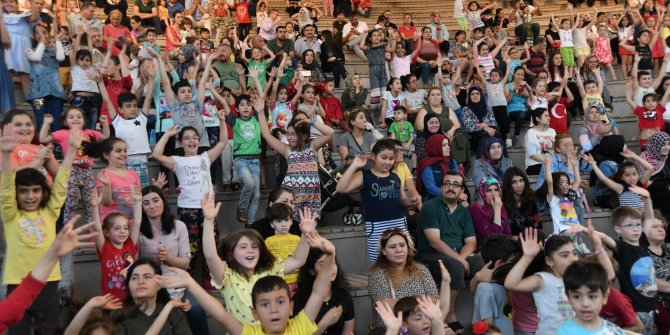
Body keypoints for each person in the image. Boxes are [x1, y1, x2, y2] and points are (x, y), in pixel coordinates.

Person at [160, 232, 336, 335]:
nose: (274, 309)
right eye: (265, 304)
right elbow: (220, 313)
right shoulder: (250, 332)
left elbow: (319, 292)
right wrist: (191, 283)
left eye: (280, 302)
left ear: (291, 307)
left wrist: (331, 255)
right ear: (255, 313)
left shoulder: (298, 328)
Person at [1, 123, 80, 334]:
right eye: (24, 191)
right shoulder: (10, 214)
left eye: (35, 190)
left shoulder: (49, 212)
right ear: (17, 194)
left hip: (48, 285)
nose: (30, 196)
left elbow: (62, 182)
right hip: (17, 285)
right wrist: (6, 155)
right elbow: (6, 184)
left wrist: (72, 150)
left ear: (43, 193)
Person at [201, 193, 313, 325]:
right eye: (243, 247)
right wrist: (208, 221)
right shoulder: (228, 276)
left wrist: (306, 234)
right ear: (232, 253)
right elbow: (210, 256)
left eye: (254, 247)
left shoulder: (271, 270)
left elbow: (298, 260)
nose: (250, 250)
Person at [504, 224, 615, 335]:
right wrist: (528, 257)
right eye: (564, 255)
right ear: (549, 261)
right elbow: (511, 284)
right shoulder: (543, 280)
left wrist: (597, 245)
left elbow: (609, 275)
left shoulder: (579, 278)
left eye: (575, 253)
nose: (573, 259)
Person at [0, 215, 95, 333]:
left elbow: (66, 272)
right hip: (19, 293)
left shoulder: (61, 240)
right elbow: (7, 270)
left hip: (50, 292)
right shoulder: (18, 242)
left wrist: (62, 295)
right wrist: (5, 295)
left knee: (49, 330)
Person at [417, 171, 485, 332]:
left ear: (462, 190)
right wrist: (460, 261)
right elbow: (435, 242)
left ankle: (482, 310)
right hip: (429, 255)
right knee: (455, 266)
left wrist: (462, 258)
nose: (451, 188)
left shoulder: (463, 211)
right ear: (441, 187)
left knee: (480, 263)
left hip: (456, 255)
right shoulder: (430, 207)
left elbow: (471, 241)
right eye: (447, 184)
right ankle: (449, 314)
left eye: (456, 185)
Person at [337, 140, 417, 264]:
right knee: (379, 264)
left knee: (403, 262)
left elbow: (403, 200)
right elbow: (340, 188)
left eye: (391, 159)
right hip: (377, 227)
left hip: (399, 223)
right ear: (373, 157)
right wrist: (354, 165)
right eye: (383, 158)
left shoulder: (395, 176)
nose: (387, 162)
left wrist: (411, 201)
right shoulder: (364, 175)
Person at [65, 259, 192, 334]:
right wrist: (91, 304)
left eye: (147, 277)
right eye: (134, 278)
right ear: (128, 286)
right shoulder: (120, 315)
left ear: (160, 285)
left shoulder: (174, 314)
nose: (140, 281)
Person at [605, 203, 659, 335]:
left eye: (638, 225)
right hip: (635, 307)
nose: (635, 229)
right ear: (618, 229)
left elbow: (649, 217)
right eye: (630, 225)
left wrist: (646, 197)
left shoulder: (642, 243)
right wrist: (586, 230)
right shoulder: (622, 248)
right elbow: (605, 239)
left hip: (650, 306)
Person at [91, 184, 142, 301]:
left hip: (131, 298)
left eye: (125, 228)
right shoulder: (105, 249)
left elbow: (137, 223)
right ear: (107, 233)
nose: (123, 232)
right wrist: (94, 207)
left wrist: (138, 202)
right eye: (117, 228)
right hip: (111, 301)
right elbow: (97, 228)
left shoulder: (130, 245)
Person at [292, 247, 356, 334]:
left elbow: (348, 331)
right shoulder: (299, 301)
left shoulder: (344, 296)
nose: (330, 268)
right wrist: (322, 326)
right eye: (322, 265)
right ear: (311, 271)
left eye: (333, 263)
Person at [556, 261, 625, 334]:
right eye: (576, 296)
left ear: (604, 297)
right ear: (568, 298)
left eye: (592, 296)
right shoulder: (564, 332)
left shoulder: (615, 331)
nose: (585, 304)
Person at [470, 177, 511, 247]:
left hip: (502, 247)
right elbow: (492, 237)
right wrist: (497, 210)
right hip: (485, 249)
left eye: (496, 190)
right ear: (482, 191)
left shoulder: (501, 206)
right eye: (489, 190)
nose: (493, 194)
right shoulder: (475, 208)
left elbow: (508, 234)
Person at [416, 134, 458, 202]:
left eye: (448, 144)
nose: (448, 147)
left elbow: (457, 181)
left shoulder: (452, 162)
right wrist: (452, 194)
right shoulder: (427, 165)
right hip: (432, 201)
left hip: (451, 198)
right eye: (444, 145)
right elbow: (432, 189)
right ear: (435, 147)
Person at [501, 167, 541, 236]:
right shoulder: (503, 205)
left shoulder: (531, 201)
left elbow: (537, 225)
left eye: (521, 180)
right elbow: (501, 231)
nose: (519, 185)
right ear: (509, 185)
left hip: (530, 242)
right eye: (514, 182)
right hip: (511, 244)